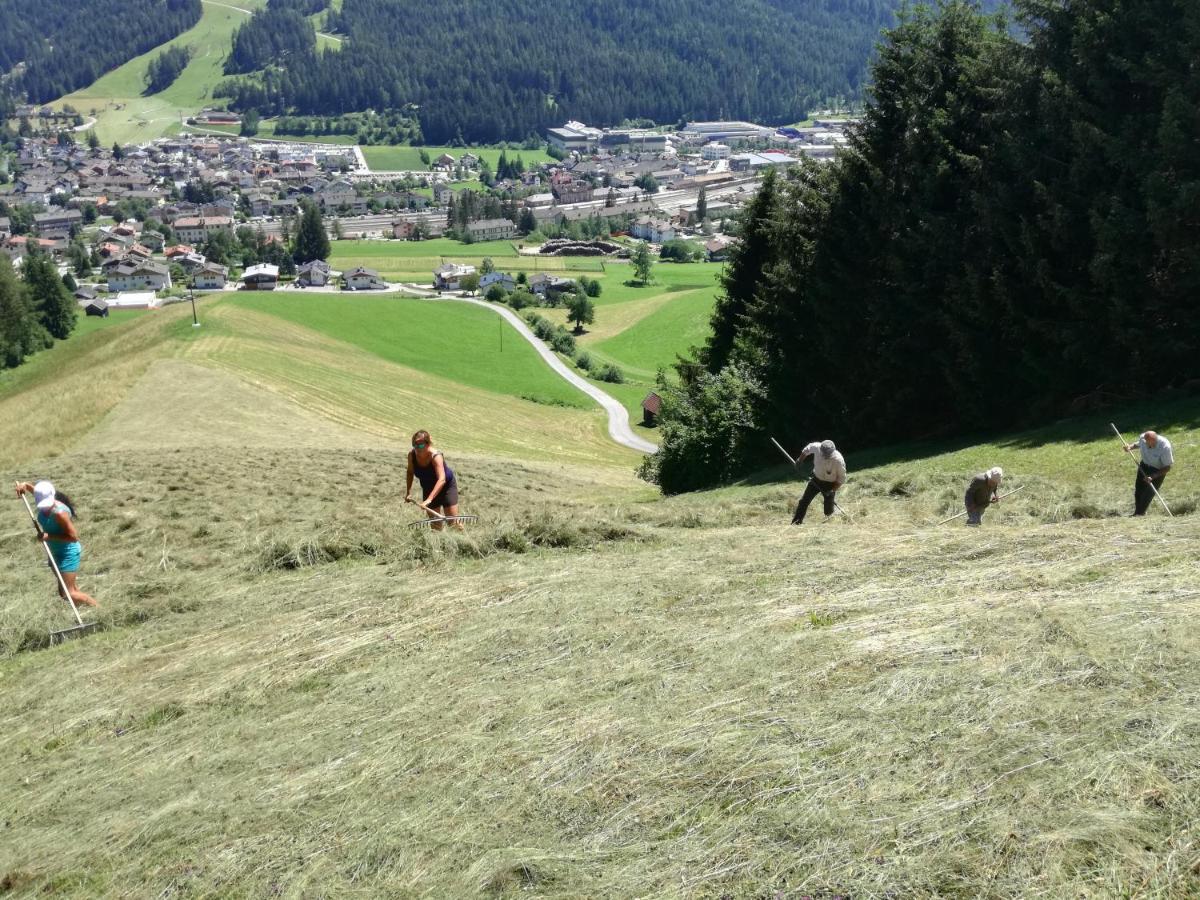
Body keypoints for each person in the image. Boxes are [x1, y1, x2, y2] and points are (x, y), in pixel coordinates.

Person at [15, 480, 99, 608]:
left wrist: (49, 536)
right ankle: (84, 611)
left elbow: (73, 537)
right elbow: (35, 491)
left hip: (67, 553)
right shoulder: (42, 495)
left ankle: (100, 611)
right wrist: (24, 485)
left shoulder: (60, 513)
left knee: (68, 594)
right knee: (65, 591)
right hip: (54, 552)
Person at [405, 430, 464, 531]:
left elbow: (442, 479)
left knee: (453, 523)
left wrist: (429, 500)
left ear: (428, 444)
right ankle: (439, 545)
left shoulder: (436, 456)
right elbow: (410, 472)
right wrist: (408, 492)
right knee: (436, 526)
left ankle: (464, 540)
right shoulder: (412, 455)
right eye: (414, 445)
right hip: (428, 488)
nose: (417, 448)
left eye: (420, 445)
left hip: (446, 488)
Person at [791, 439, 847, 525]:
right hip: (816, 480)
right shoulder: (817, 446)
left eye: (827, 455)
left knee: (828, 509)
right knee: (804, 501)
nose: (825, 457)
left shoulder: (838, 460)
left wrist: (832, 490)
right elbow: (807, 450)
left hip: (830, 484)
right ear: (820, 450)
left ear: (833, 451)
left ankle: (829, 523)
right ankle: (796, 522)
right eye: (823, 454)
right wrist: (800, 460)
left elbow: (841, 479)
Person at [1125, 430, 1173, 516]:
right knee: (1139, 490)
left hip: (1158, 470)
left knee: (1148, 493)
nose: (1145, 443)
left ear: (1153, 441)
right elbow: (1138, 444)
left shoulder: (1164, 447)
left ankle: (1139, 514)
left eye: (1147, 442)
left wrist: (1153, 476)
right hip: (1144, 465)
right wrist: (1130, 447)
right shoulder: (1144, 439)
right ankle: (1138, 512)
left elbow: (1167, 467)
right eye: (1145, 441)